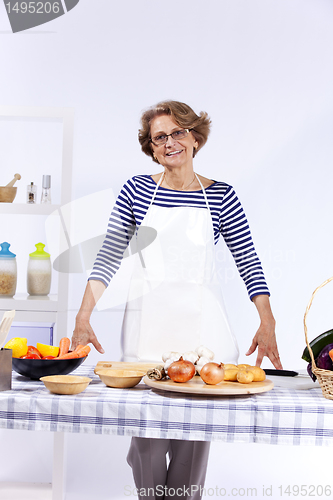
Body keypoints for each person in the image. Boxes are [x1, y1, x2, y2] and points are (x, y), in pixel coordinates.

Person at [72, 100, 282, 499]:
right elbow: (110, 254)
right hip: (147, 329)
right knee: (147, 442)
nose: (170, 143)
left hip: (203, 335)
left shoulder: (222, 196)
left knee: (193, 444)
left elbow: (248, 260)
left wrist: (266, 321)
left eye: (178, 132)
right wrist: (84, 315)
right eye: (159, 138)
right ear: (151, 148)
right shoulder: (136, 190)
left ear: (195, 138)